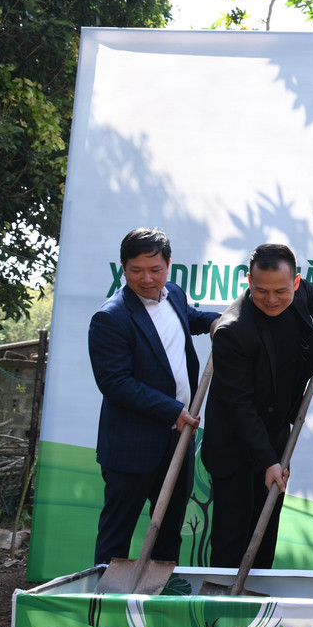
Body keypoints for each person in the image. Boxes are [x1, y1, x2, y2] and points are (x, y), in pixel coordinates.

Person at [88, 228, 219, 566]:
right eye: (136, 270)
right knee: (118, 532)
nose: (146, 279)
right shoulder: (110, 317)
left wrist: (214, 322)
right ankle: (104, 608)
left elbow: (185, 319)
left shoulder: (172, 293)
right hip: (131, 446)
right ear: (123, 267)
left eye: (155, 269)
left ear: (169, 265)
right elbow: (115, 383)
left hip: (178, 439)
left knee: (169, 529)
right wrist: (172, 409)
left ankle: (158, 607)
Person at [202, 244, 313, 570]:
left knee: (264, 535)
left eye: (281, 290)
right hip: (234, 444)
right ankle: (220, 607)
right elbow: (240, 407)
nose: (272, 299)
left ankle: (257, 608)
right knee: (233, 538)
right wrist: (268, 462)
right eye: (261, 290)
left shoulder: (300, 292)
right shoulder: (232, 331)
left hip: (275, 433)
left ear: (294, 282)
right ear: (249, 280)